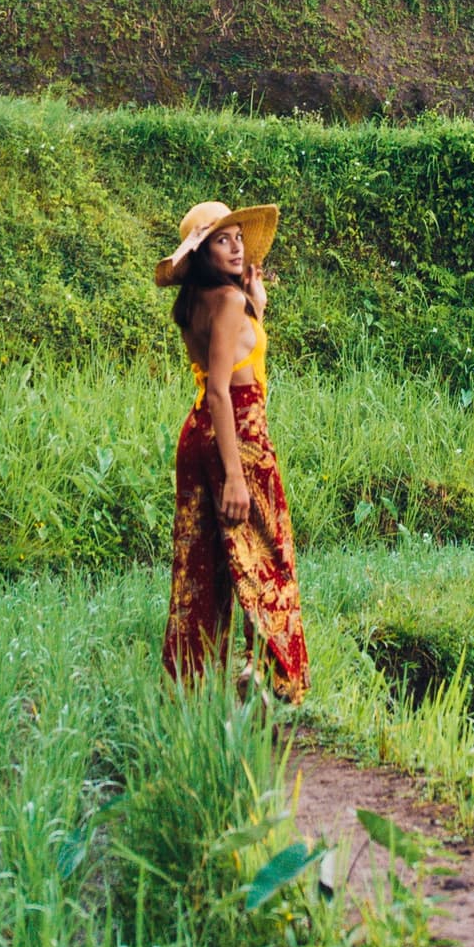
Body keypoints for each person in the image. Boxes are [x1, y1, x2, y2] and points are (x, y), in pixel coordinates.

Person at [157, 199, 309, 701]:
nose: (237, 246)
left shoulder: (197, 304)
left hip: (198, 434)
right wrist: (237, 475)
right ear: (201, 253)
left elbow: (237, 353)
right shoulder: (226, 303)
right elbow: (223, 388)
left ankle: (193, 685)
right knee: (270, 555)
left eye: (239, 237)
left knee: (204, 563)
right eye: (223, 240)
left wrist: (256, 305)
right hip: (237, 436)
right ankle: (266, 674)